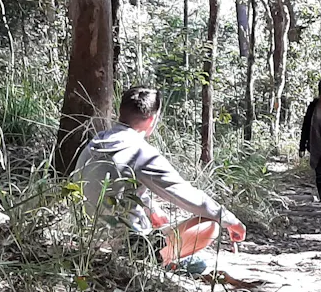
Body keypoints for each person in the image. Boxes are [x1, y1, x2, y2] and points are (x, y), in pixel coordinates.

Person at [77, 86, 247, 276]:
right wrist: (231, 220)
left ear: (120, 111)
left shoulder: (96, 142)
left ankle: (155, 256)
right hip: (128, 246)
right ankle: (154, 261)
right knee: (210, 225)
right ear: (152, 119)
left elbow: (118, 184)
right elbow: (186, 195)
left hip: (87, 237)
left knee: (164, 221)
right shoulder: (139, 151)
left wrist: (151, 210)